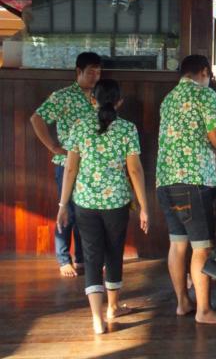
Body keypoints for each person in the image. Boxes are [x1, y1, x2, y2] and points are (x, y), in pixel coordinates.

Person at [55, 79, 149, 334]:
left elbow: (70, 168)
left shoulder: (79, 126)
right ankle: (113, 308)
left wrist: (62, 204)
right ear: (119, 102)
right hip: (116, 203)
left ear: (92, 100)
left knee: (92, 256)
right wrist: (144, 206)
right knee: (114, 253)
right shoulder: (127, 129)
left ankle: (97, 319)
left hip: (85, 203)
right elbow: (135, 170)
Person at [156, 55, 216, 325]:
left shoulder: (169, 98)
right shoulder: (204, 95)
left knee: (178, 244)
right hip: (192, 182)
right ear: (204, 72)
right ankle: (203, 311)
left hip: (166, 181)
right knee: (202, 247)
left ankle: (182, 302)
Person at [31, 52, 102, 277]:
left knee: (86, 212)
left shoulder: (100, 96)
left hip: (92, 165)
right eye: (90, 72)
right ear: (78, 72)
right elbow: (36, 118)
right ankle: (63, 258)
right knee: (68, 211)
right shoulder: (62, 96)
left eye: (98, 72)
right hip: (66, 162)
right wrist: (53, 146)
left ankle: (81, 258)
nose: (95, 77)